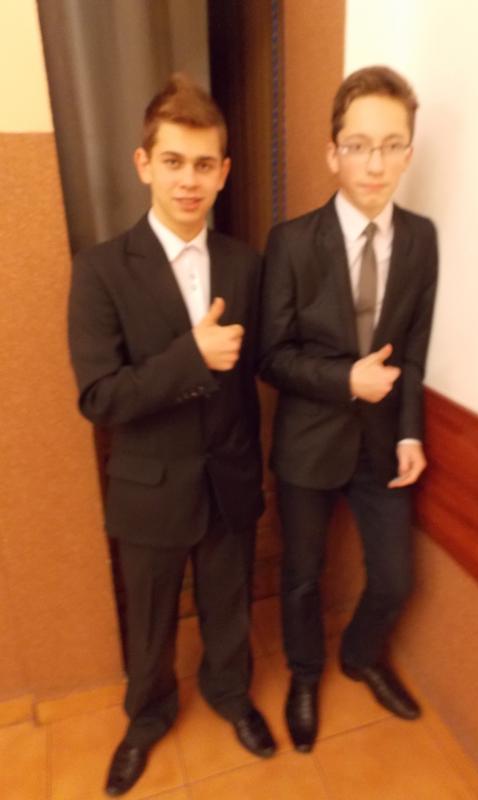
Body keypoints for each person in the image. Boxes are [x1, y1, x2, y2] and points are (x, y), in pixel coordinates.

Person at [68, 74, 275, 797]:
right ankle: (147, 717)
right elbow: (100, 397)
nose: (189, 180)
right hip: (149, 488)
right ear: (144, 164)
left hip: (229, 478)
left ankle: (230, 693)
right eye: (174, 161)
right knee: (151, 620)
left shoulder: (246, 264)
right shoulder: (100, 270)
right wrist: (191, 356)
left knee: (229, 606)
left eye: (204, 164)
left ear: (224, 172)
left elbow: (261, 366)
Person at [259, 65, 438, 753]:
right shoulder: (291, 242)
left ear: (408, 153)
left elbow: (414, 350)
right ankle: (305, 676)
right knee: (301, 578)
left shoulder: (421, 239)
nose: (375, 164)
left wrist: (411, 433)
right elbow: (271, 357)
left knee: (395, 578)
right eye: (359, 146)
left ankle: (361, 656)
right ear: (333, 153)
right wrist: (345, 380)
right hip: (307, 443)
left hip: (383, 443)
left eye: (391, 146)